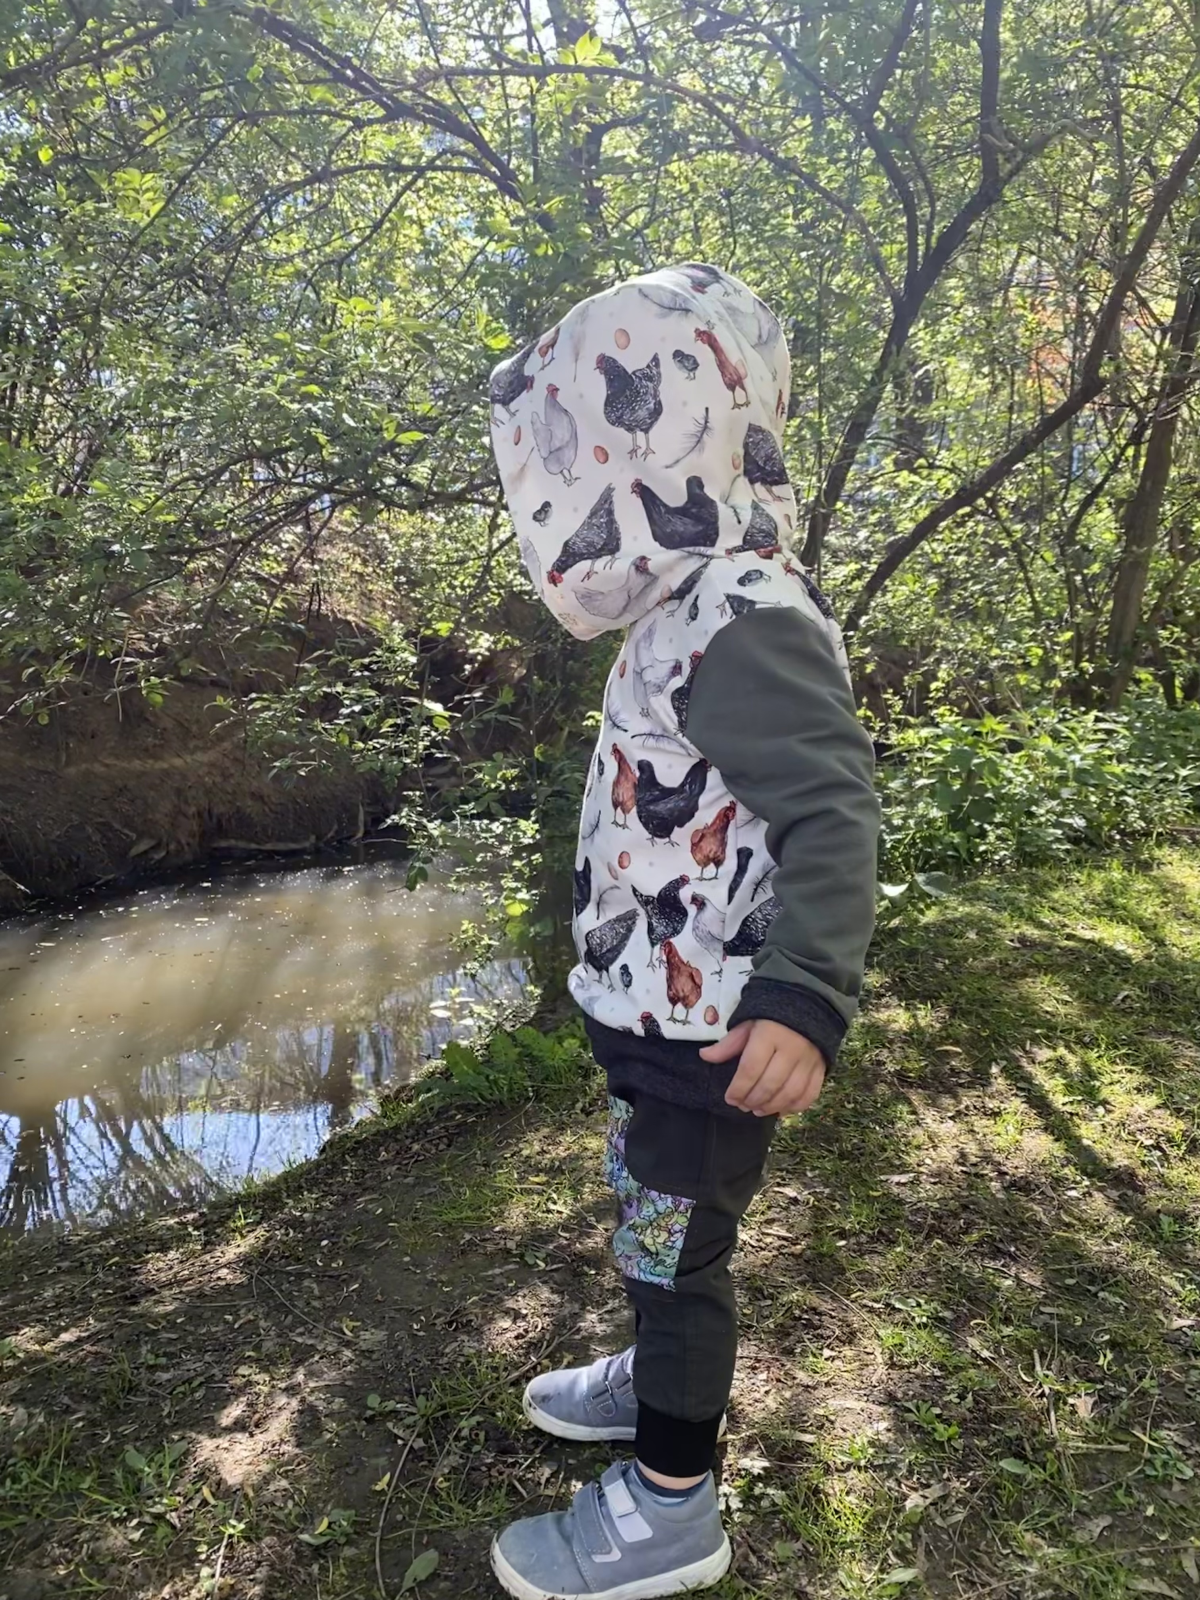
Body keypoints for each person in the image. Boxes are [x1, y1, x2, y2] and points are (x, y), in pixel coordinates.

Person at [486, 263, 879, 1600]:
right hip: (659, 1014)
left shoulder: (744, 618)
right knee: (654, 1225)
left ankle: (671, 1504)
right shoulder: (690, 601)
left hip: (713, 1033)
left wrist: (803, 996)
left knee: (679, 1247)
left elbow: (834, 810)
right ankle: (658, 1362)